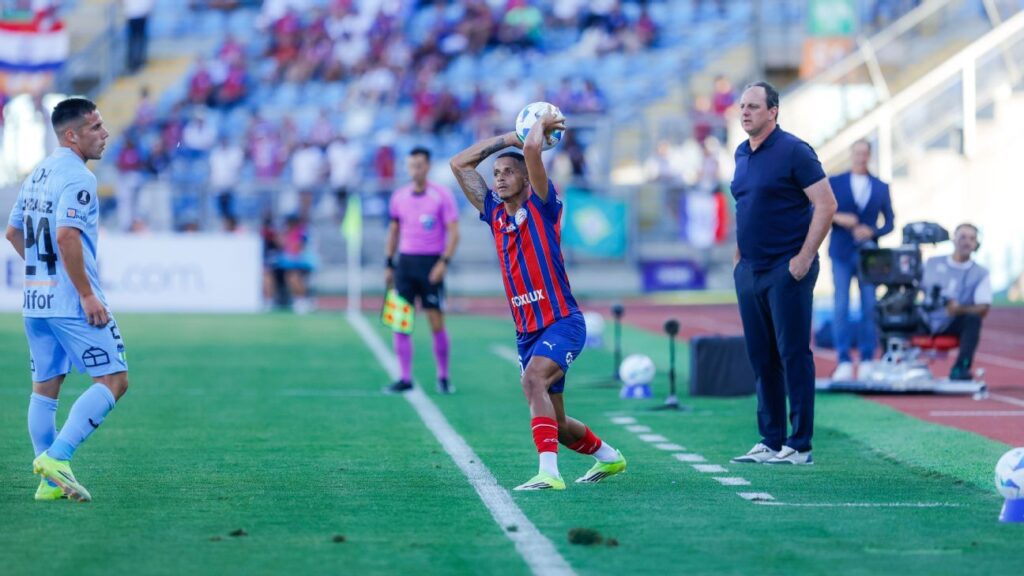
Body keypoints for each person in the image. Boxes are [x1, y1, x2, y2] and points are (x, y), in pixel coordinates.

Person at [449, 111, 626, 490]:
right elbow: (459, 163)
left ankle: (549, 473)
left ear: (529, 179)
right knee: (558, 425)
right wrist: (506, 138)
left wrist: (535, 128)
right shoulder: (494, 214)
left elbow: (531, 149)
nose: (498, 178)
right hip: (526, 332)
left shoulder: (545, 206)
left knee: (533, 382)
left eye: (508, 172)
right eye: (495, 173)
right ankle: (610, 458)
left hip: (562, 320)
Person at [5, 97, 129, 502]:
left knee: (45, 390)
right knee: (113, 380)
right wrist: (86, 293)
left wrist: (47, 275)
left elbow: (12, 233)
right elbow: (65, 235)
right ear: (71, 135)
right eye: (95, 127)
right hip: (71, 303)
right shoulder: (79, 177)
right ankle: (58, 457)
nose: (104, 133)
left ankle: (48, 481)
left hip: (36, 302)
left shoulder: (37, 172)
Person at [728, 82, 837, 466]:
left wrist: (805, 257)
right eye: (742, 106)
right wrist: (739, 257)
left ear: (773, 111)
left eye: (753, 106)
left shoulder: (795, 151)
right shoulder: (742, 152)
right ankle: (770, 440)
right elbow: (746, 206)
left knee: (793, 355)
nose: (745, 112)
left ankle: (800, 445)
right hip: (751, 270)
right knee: (761, 357)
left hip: (787, 268)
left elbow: (826, 204)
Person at [384, 147, 460, 394]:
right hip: (405, 264)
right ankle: (405, 377)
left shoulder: (442, 195)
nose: (415, 169)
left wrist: (443, 263)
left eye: (419, 164)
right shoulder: (399, 196)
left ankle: (444, 376)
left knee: (436, 322)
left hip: (430, 265)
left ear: (427, 166)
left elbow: (454, 233)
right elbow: (394, 231)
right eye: (411, 164)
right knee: (400, 322)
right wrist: (388, 263)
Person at [829, 140, 895, 382]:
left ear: (870, 156)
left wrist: (872, 232)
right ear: (851, 154)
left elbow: (890, 222)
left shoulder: (880, 187)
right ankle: (844, 360)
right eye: (856, 152)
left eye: (865, 153)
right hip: (841, 253)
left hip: (869, 257)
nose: (860, 157)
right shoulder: (835, 182)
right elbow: (818, 210)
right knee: (841, 306)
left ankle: (867, 359)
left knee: (869, 307)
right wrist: (839, 218)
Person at [920, 223, 991, 381]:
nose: (966, 242)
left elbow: (984, 307)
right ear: (954, 239)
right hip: (925, 319)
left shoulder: (980, 273)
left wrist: (959, 309)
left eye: (972, 238)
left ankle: (961, 368)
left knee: (973, 320)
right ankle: (889, 362)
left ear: (977, 244)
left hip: (952, 323)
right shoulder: (931, 263)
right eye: (963, 237)